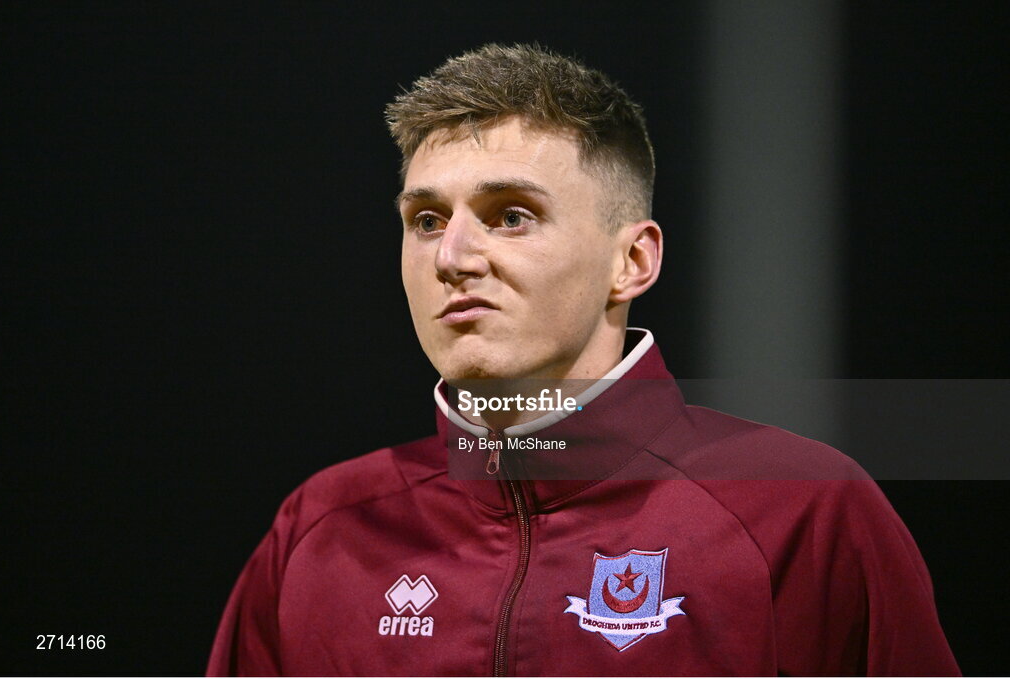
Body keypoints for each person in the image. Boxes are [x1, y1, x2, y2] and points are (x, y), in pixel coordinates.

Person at [206, 43, 959, 676]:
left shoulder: (804, 512)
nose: (453, 256)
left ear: (631, 260)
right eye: (426, 218)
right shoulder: (319, 531)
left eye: (511, 215)